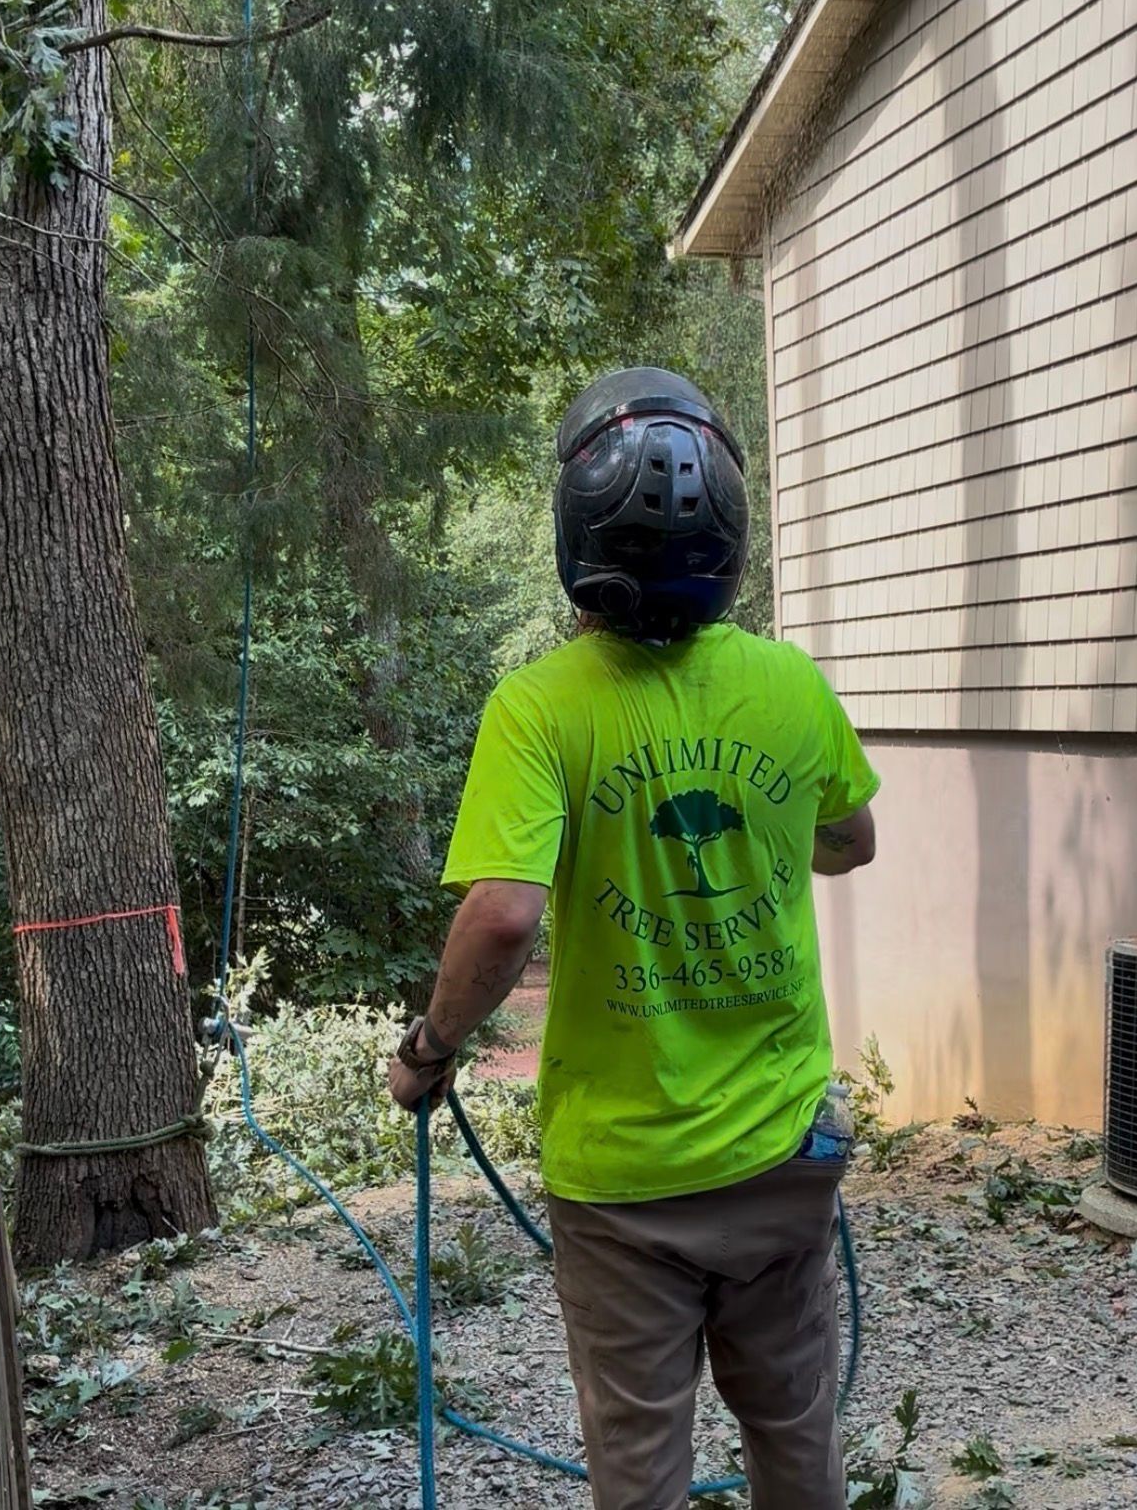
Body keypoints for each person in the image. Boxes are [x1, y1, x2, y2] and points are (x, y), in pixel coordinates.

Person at [388, 367, 879, 1510]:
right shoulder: (789, 685)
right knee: (795, 1425)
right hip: (782, 1153)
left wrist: (430, 1051)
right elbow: (851, 841)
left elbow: (506, 913)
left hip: (625, 1184)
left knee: (641, 1461)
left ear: (579, 539)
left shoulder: (541, 706)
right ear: (730, 533)